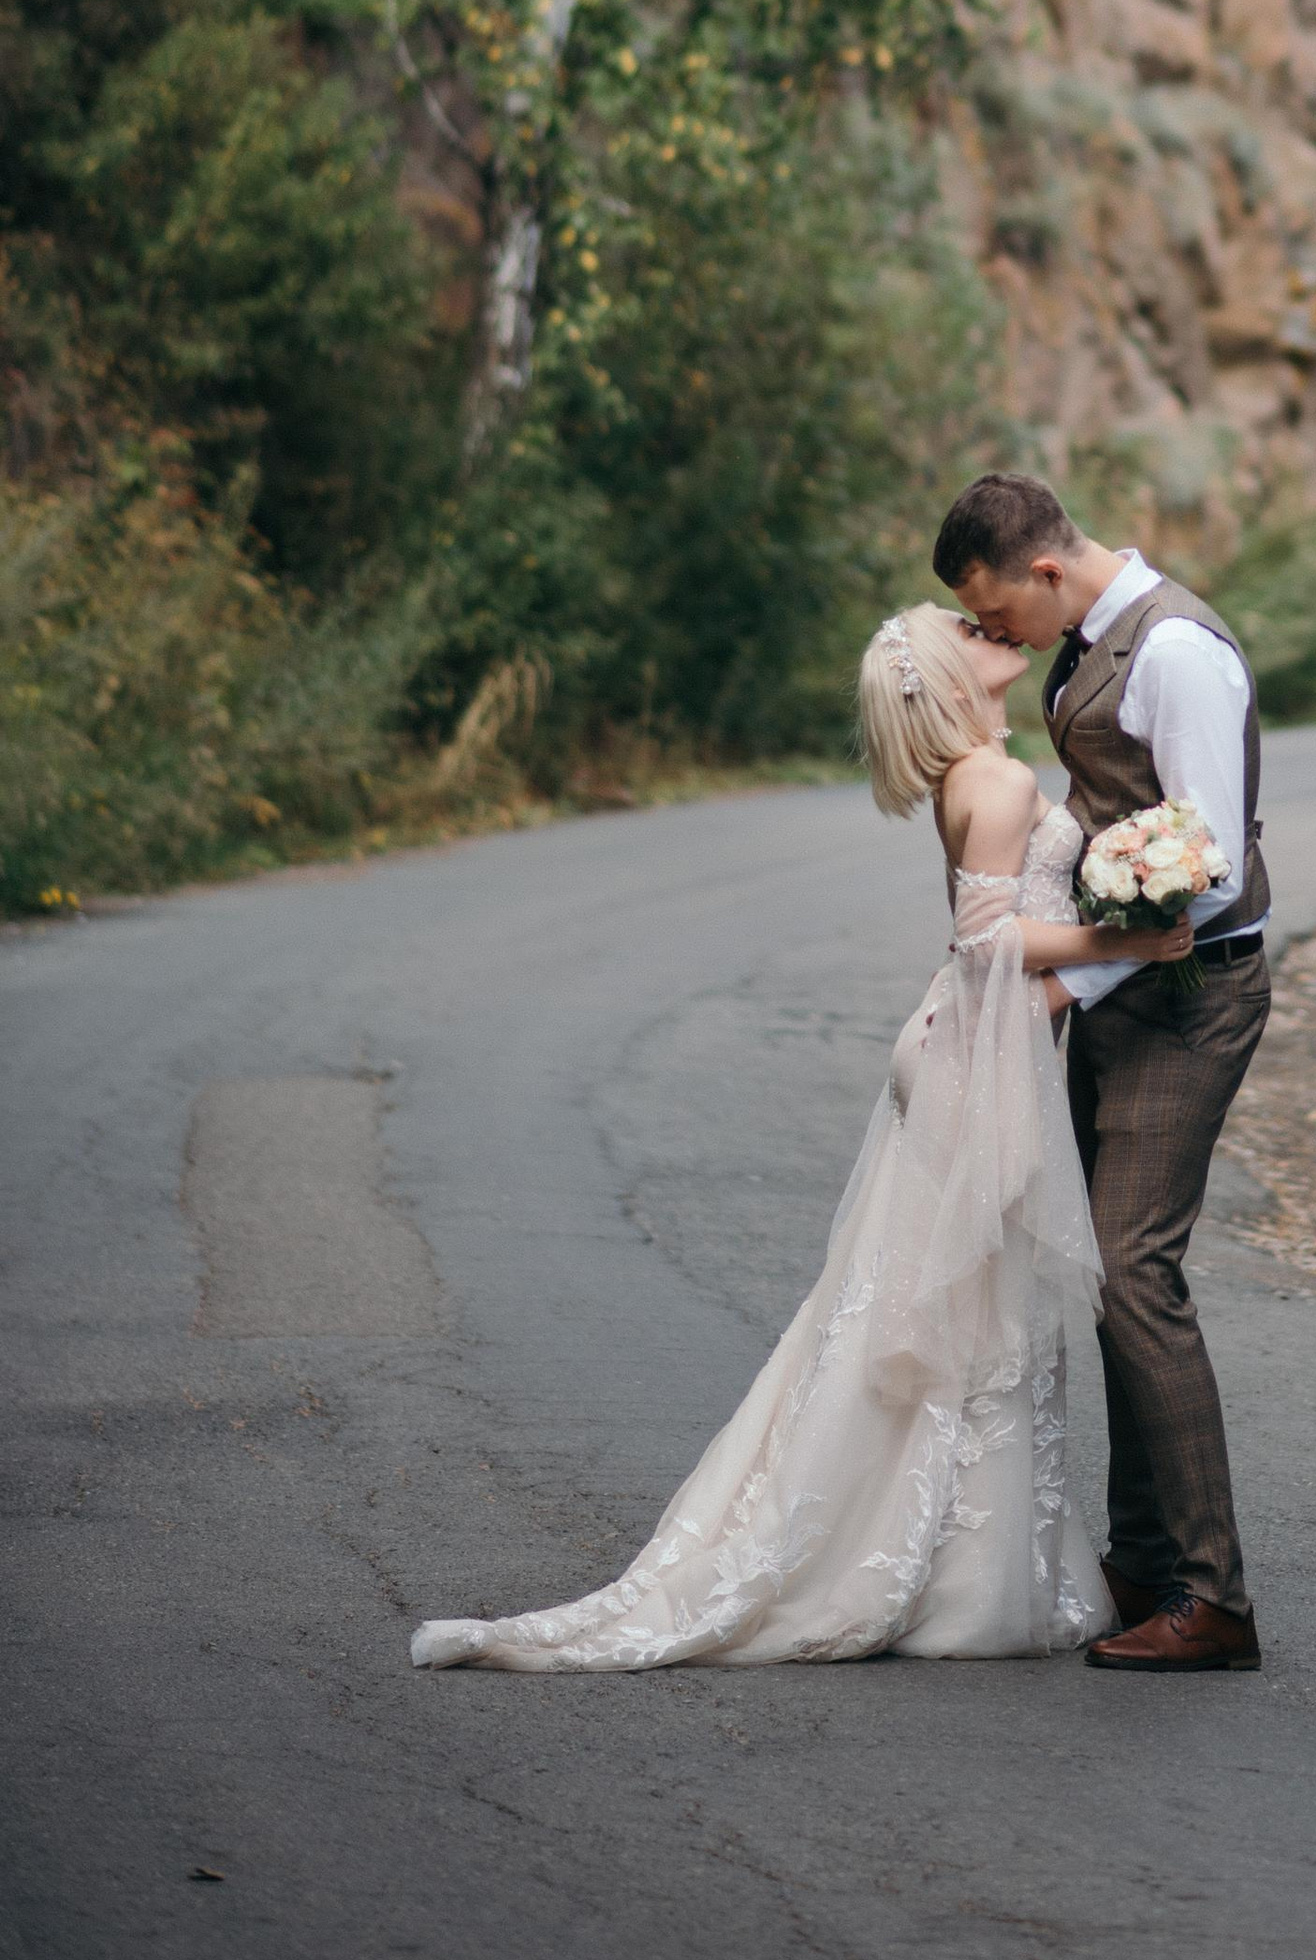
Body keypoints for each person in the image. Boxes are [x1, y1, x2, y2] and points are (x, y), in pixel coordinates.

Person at [406, 605, 1192, 1672]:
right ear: (948, 677)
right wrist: (1133, 936)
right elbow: (985, 944)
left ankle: (964, 1559)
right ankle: (940, 1576)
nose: (988, 624)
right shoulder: (997, 783)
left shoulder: (977, 775)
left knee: (935, 1307)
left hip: (963, 1046)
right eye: (965, 625)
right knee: (957, 1315)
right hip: (969, 1051)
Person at [935, 471, 1270, 1675]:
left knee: (1136, 1271)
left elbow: (1210, 868)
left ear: (1043, 570)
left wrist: (1070, 982)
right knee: (1103, 1268)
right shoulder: (1087, 645)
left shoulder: (1175, 651)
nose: (997, 640)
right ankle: (1142, 1559)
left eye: (998, 613)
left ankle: (1215, 1598)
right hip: (1126, 993)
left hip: (1188, 995)